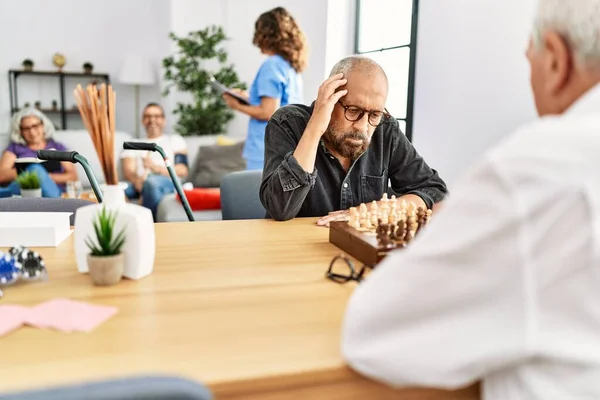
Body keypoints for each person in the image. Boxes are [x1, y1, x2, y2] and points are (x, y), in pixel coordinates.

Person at [341, 1, 600, 398]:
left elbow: (371, 331)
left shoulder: (536, 165)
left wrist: (444, 231)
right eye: (354, 110)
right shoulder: (292, 121)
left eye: (530, 55)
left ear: (556, 60)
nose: (366, 123)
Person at [260, 56, 447, 222]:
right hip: (293, 250)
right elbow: (280, 209)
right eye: (353, 111)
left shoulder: (385, 130)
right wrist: (314, 129)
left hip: (357, 251)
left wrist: (377, 210)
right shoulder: (287, 122)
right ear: (330, 98)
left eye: (374, 114)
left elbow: (435, 191)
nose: (362, 126)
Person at [223, 6, 307, 171]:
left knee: (258, 195)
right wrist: (249, 98)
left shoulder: (271, 65)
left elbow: (268, 112)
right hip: (287, 146)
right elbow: (281, 105)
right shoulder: (290, 67)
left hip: (265, 149)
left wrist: (236, 105)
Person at [120, 103, 188, 221]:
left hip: (167, 183)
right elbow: (128, 171)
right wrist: (137, 181)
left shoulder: (175, 141)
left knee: (152, 183)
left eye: (157, 116)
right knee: (112, 192)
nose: (152, 120)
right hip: (139, 183)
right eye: (148, 116)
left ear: (164, 120)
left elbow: (182, 170)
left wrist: (154, 167)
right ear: (142, 120)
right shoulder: (133, 143)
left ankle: (148, 224)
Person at [0, 108, 77, 198]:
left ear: (43, 125)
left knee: (36, 169)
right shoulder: (15, 148)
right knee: (34, 169)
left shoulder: (57, 147)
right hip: (23, 187)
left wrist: (44, 177)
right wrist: (29, 173)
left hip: (52, 191)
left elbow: (73, 176)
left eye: (35, 126)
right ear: (20, 131)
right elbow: (2, 175)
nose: (32, 132)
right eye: (26, 128)